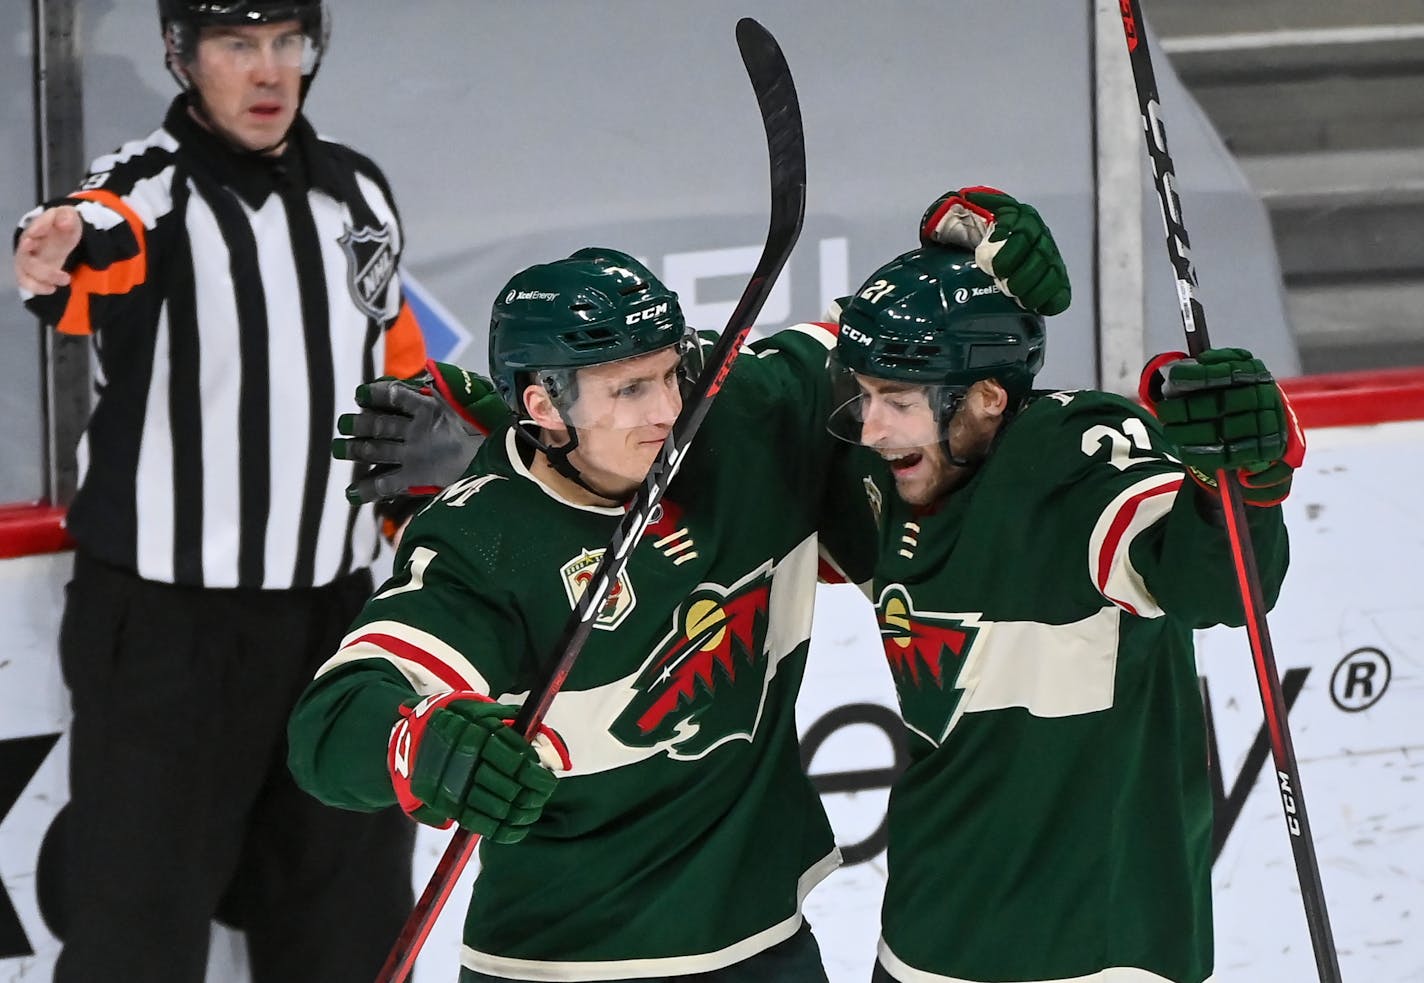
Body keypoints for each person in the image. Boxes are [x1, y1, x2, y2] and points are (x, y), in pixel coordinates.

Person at [11, 2, 423, 979]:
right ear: (182, 59)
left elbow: (393, 362)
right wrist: (53, 244)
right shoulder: (143, 191)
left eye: (287, 42)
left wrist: (427, 475)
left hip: (333, 621)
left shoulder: (357, 193)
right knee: (138, 936)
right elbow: (85, 250)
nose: (269, 69)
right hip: (166, 636)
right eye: (239, 45)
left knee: (348, 926)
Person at [827, 240, 1301, 983]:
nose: (871, 426)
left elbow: (1218, 585)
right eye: (865, 393)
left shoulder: (1076, 464)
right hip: (923, 942)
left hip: (1099, 952)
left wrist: (1238, 485)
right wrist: (952, 230)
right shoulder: (882, 478)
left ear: (987, 397)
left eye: (898, 400)